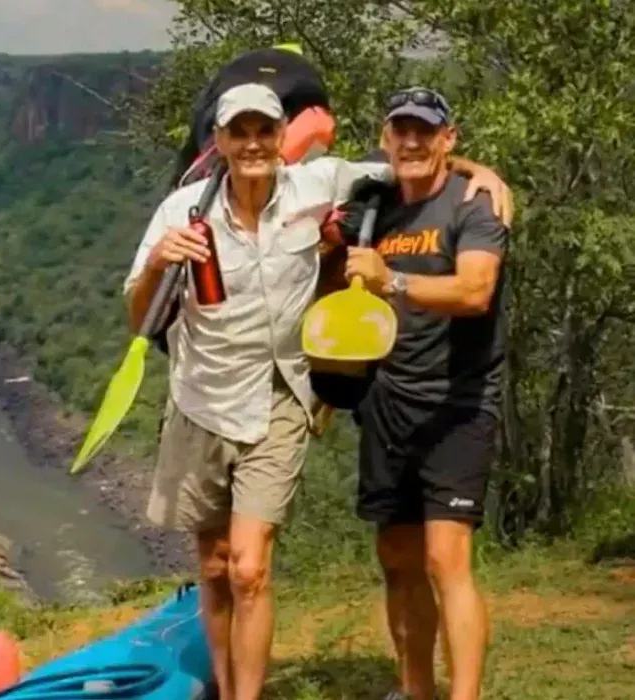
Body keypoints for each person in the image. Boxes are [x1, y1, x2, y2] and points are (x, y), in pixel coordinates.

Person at [121, 82, 511, 700]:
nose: (252, 144)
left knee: (262, 566)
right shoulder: (187, 213)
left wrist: (478, 171)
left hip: (324, 399)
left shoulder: (342, 186)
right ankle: (393, 690)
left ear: (281, 139)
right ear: (219, 142)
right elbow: (139, 316)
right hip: (217, 397)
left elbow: (433, 208)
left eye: (264, 131)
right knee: (227, 567)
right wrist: (158, 266)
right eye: (238, 132)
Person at [339, 86, 511, 700]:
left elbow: (474, 292)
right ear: (385, 138)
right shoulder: (371, 204)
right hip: (386, 403)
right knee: (397, 558)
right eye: (400, 130)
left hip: (456, 404)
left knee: (446, 559)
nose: (411, 141)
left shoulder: (474, 203)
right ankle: (416, 690)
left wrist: (395, 280)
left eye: (425, 131)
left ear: (448, 138)